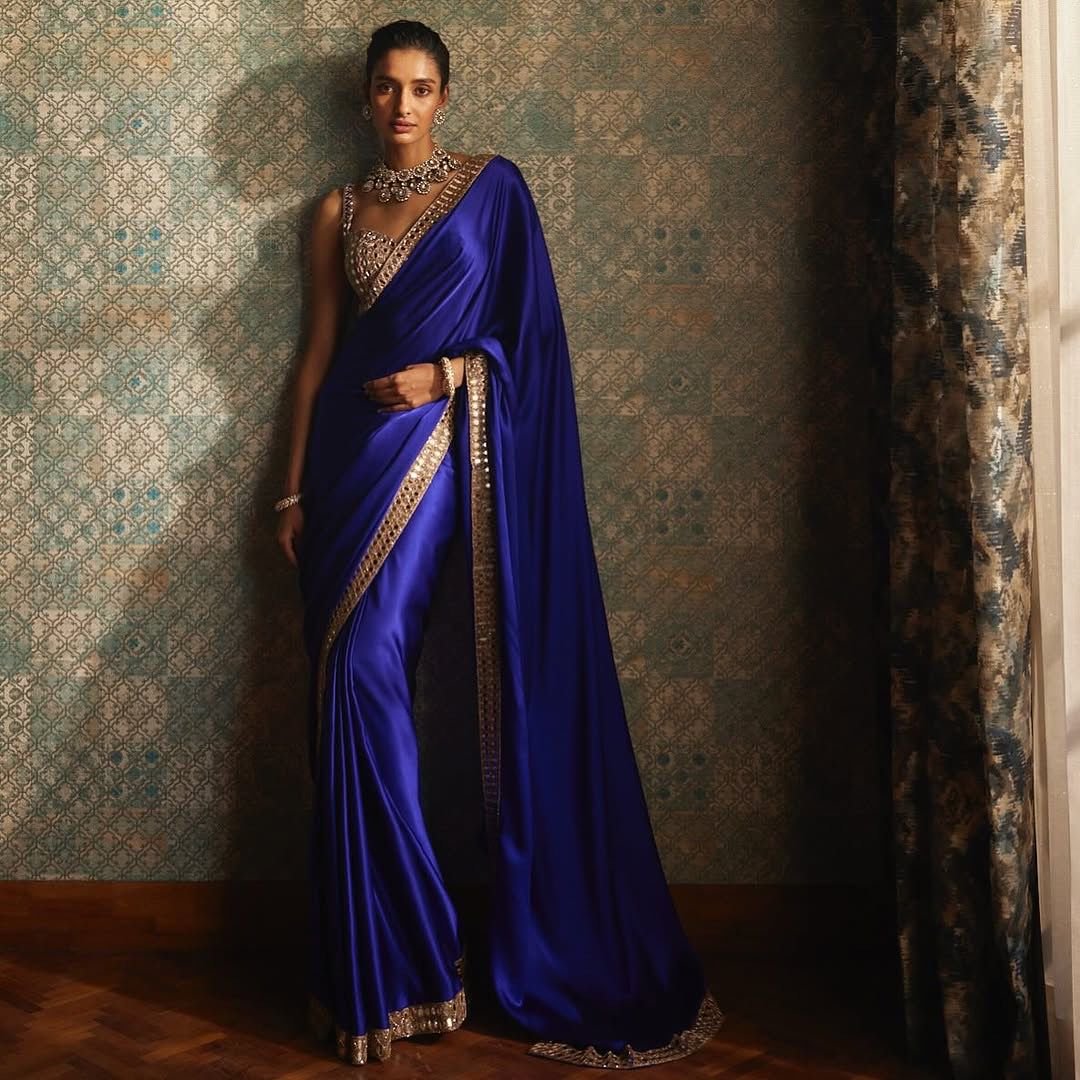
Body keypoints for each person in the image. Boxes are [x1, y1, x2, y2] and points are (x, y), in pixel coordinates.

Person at [275, 18, 725, 1070]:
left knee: (371, 669)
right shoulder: (336, 211)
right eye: (385, 86)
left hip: (436, 450)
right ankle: (387, 972)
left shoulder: (493, 191)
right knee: (346, 683)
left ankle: (418, 948)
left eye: (420, 87)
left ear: (445, 96)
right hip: (343, 466)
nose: (401, 105)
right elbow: (317, 355)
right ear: (364, 96)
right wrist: (290, 491)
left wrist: (448, 375)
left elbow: (535, 338)